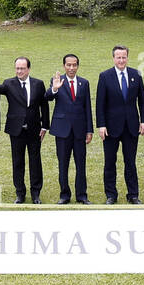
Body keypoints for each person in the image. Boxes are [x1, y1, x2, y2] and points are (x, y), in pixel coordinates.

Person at [95, 45, 144, 205]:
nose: (121, 60)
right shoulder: (105, 76)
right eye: (118, 57)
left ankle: (133, 195)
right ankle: (111, 195)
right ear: (113, 58)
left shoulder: (135, 74)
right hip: (110, 128)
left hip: (131, 126)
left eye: (124, 57)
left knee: (130, 162)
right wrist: (101, 125)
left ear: (127, 57)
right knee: (110, 162)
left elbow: (142, 100)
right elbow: (100, 103)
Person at [0, 57, 49, 204]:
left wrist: (44, 126)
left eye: (22, 68)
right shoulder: (9, 83)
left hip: (34, 130)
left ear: (28, 69)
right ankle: (20, 193)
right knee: (17, 161)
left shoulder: (38, 84)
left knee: (35, 161)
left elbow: (44, 106)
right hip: (16, 130)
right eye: (17, 68)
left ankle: (36, 193)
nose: (19, 71)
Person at [48, 54, 93, 204]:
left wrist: (89, 130)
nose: (71, 68)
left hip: (80, 130)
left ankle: (82, 195)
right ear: (64, 66)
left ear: (78, 66)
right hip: (62, 130)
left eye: (74, 65)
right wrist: (54, 88)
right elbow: (47, 97)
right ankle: (64, 195)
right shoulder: (56, 81)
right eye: (68, 65)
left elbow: (87, 107)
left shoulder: (84, 83)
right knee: (63, 164)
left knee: (81, 164)